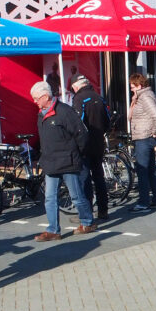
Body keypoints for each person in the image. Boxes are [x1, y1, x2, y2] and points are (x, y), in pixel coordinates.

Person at [30, 81, 95, 241]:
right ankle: (53, 230)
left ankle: (87, 222)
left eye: (36, 98)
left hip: (68, 162)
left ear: (46, 96)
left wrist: (77, 154)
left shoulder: (65, 112)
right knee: (50, 198)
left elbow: (81, 135)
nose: (35, 101)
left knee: (76, 196)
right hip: (51, 163)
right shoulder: (41, 114)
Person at [70, 75, 111, 220]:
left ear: (76, 86)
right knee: (99, 177)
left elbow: (78, 124)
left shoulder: (79, 99)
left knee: (85, 178)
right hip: (98, 143)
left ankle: (87, 213)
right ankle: (103, 210)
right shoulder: (99, 97)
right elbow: (108, 121)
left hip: (84, 145)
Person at [128, 73, 156, 211]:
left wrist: (154, 131)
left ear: (139, 85)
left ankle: (144, 202)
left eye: (132, 86)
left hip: (144, 136)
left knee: (142, 170)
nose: (131, 89)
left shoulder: (144, 97)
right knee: (150, 170)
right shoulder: (143, 96)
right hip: (145, 135)